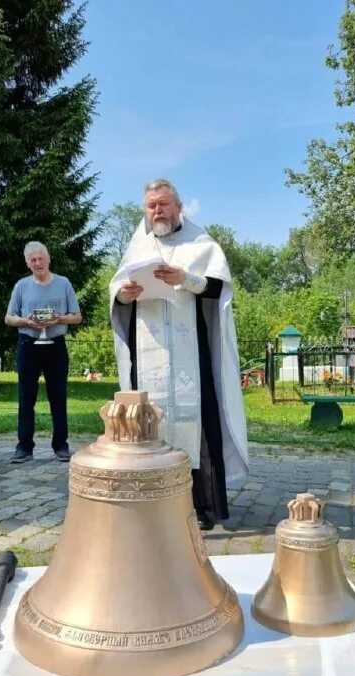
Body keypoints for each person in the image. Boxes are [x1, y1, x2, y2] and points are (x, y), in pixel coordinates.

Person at [110, 179, 248, 530]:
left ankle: (201, 506)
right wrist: (126, 294)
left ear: (179, 207)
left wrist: (185, 278)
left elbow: (219, 287)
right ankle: (156, 503)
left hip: (190, 352)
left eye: (164, 204)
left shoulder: (201, 243)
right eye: (152, 205)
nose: (158, 210)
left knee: (195, 425)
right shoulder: (136, 246)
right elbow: (117, 295)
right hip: (149, 349)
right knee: (150, 423)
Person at [5, 241, 82, 463]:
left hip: (56, 345)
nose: (38, 263)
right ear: (28, 263)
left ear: (48, 259)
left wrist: (59, 319)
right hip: (28, 345)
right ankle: (24, 447)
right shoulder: (21, 286)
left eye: (41, 258)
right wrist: (25, 321)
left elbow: (77, 316)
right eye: (33, 260)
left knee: (58, 397)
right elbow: (8, 318)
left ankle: (61, 445)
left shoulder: (64, 283)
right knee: (26, 397)